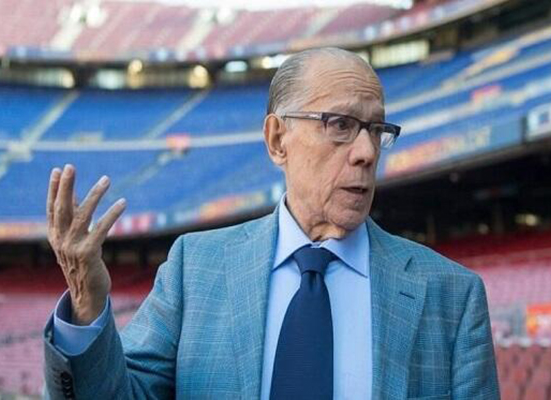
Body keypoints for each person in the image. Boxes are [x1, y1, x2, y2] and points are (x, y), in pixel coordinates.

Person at [43, 47, 499, 400]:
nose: (366, 152)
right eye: (340, 125)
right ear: (278, 139)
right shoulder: (195, 268)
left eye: (377, 130)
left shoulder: (452, 295)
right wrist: (87, 305)